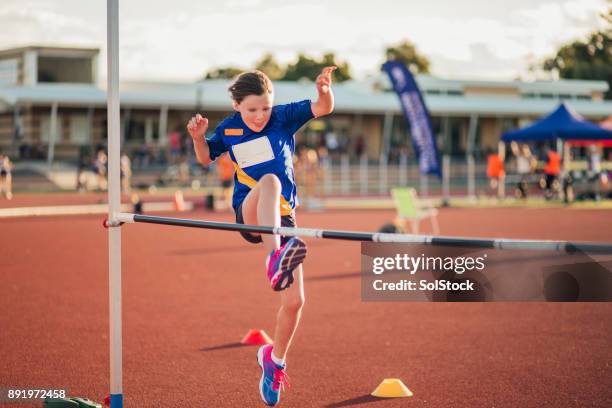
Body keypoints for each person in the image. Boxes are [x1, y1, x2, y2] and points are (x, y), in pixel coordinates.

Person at [187, 66, 336, 406]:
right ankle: (274, 258)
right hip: (250, 212)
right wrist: (198, 138)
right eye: (252, 109)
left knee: (296, 301)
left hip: (284, 217)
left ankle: (275, 361)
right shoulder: (229, 127)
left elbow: (323, 107)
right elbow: (206, 157)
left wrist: (325, 90)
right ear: (237, 105)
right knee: (270, 181)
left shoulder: (283, 117)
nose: (259, 116)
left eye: (265, 108)